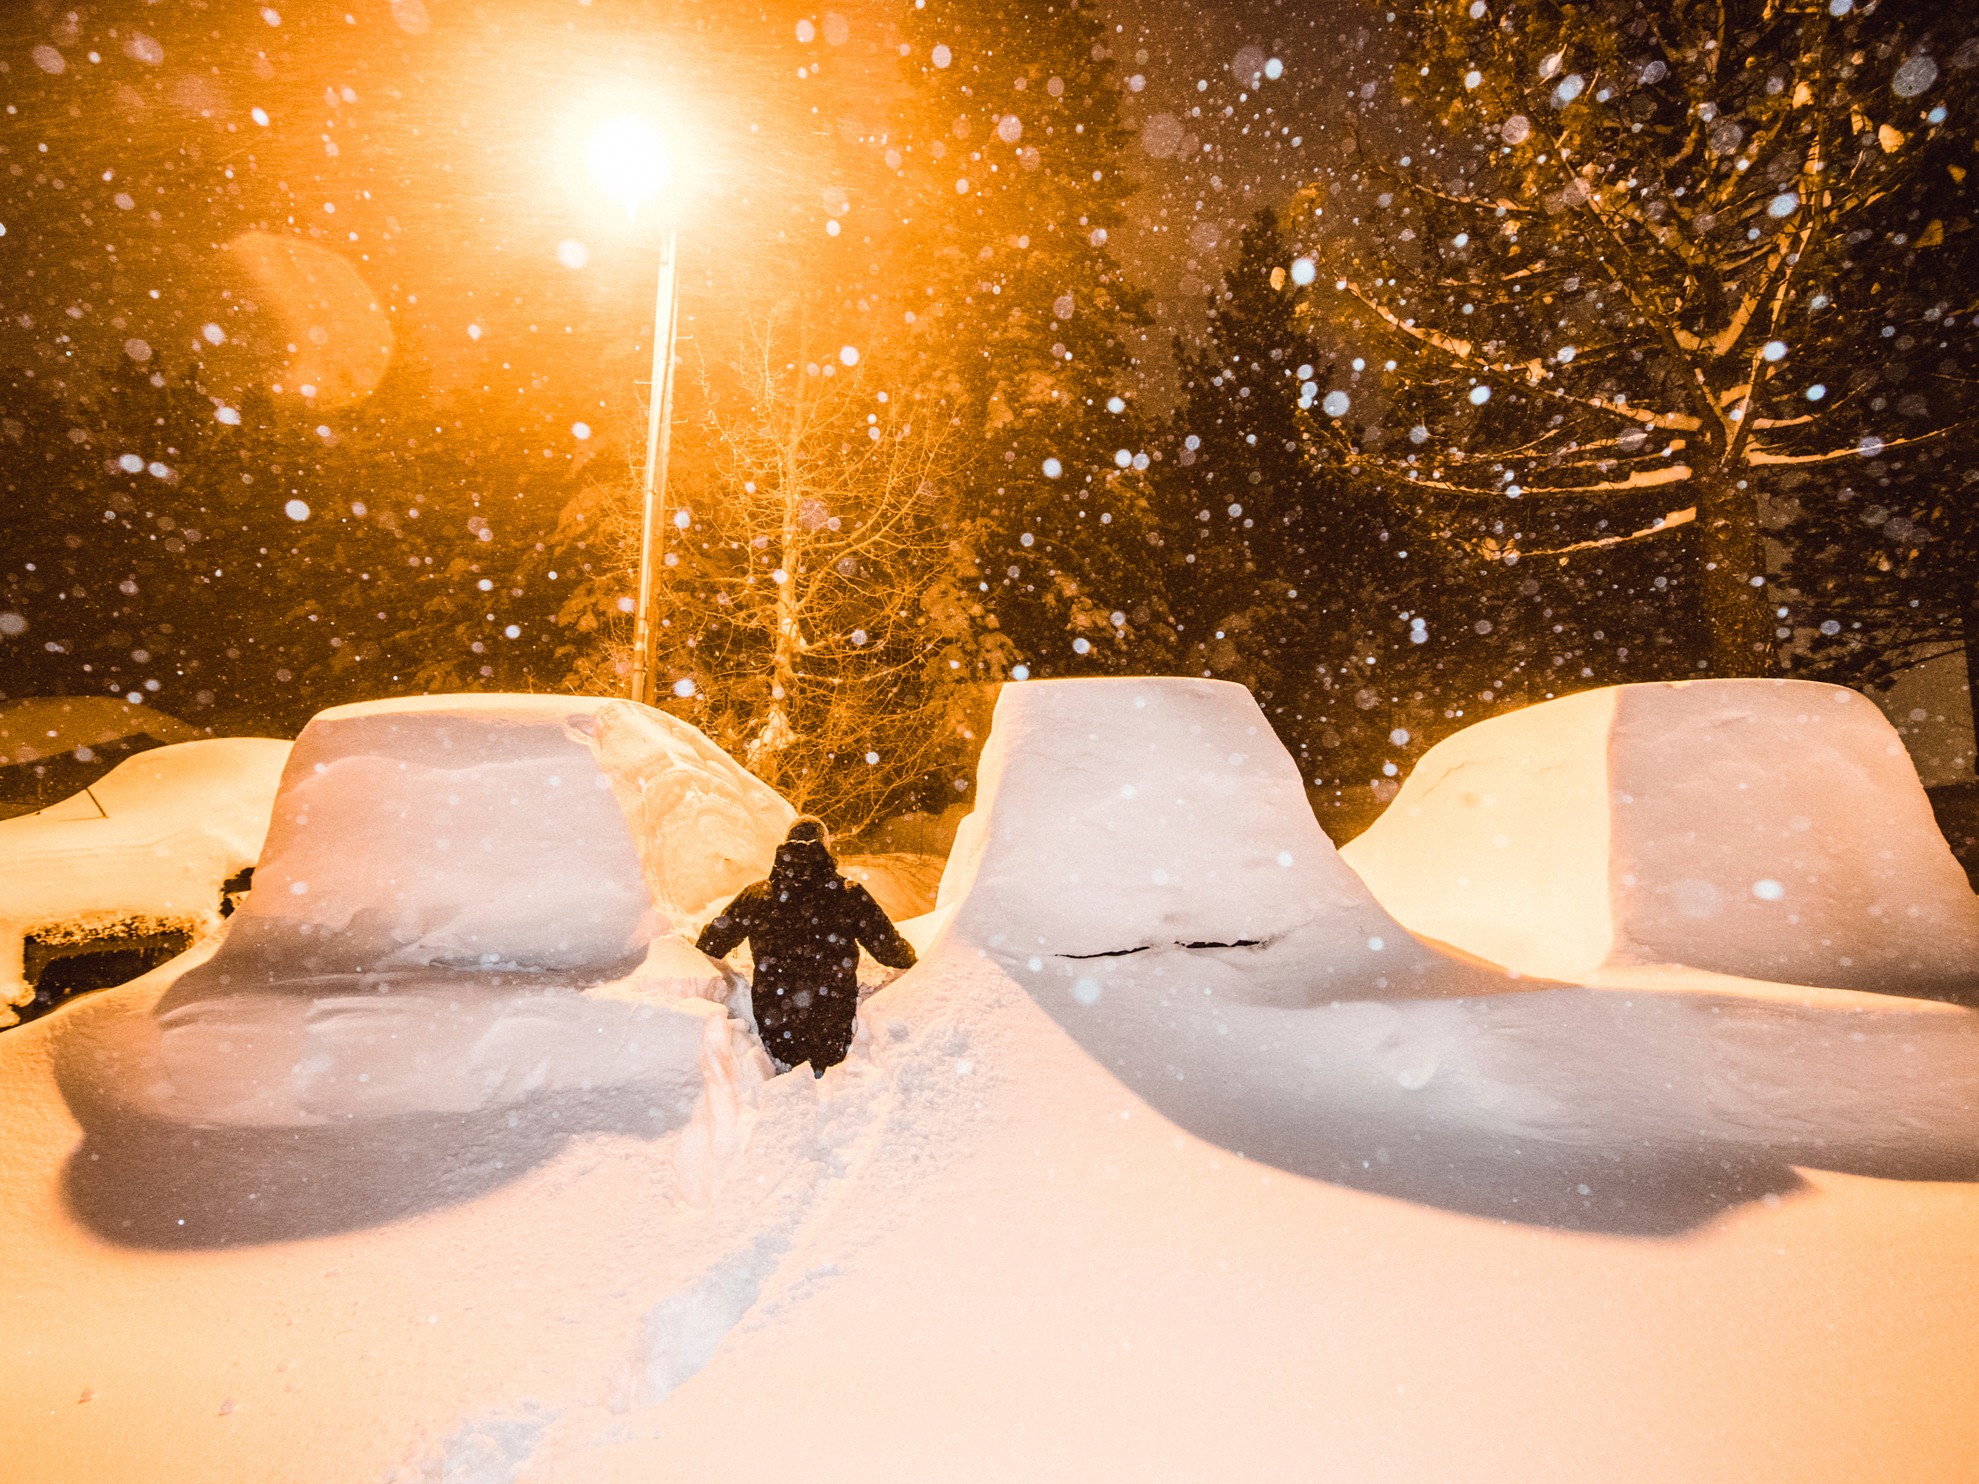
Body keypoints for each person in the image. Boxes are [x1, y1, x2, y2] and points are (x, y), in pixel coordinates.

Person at [695, 817, 917, 1074]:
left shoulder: (759, 895)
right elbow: (890, 949)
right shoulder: (847, 893)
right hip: (832, 1025)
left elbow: (710, 945)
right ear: (826, 847)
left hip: (776, 1026)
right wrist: (925, 968)